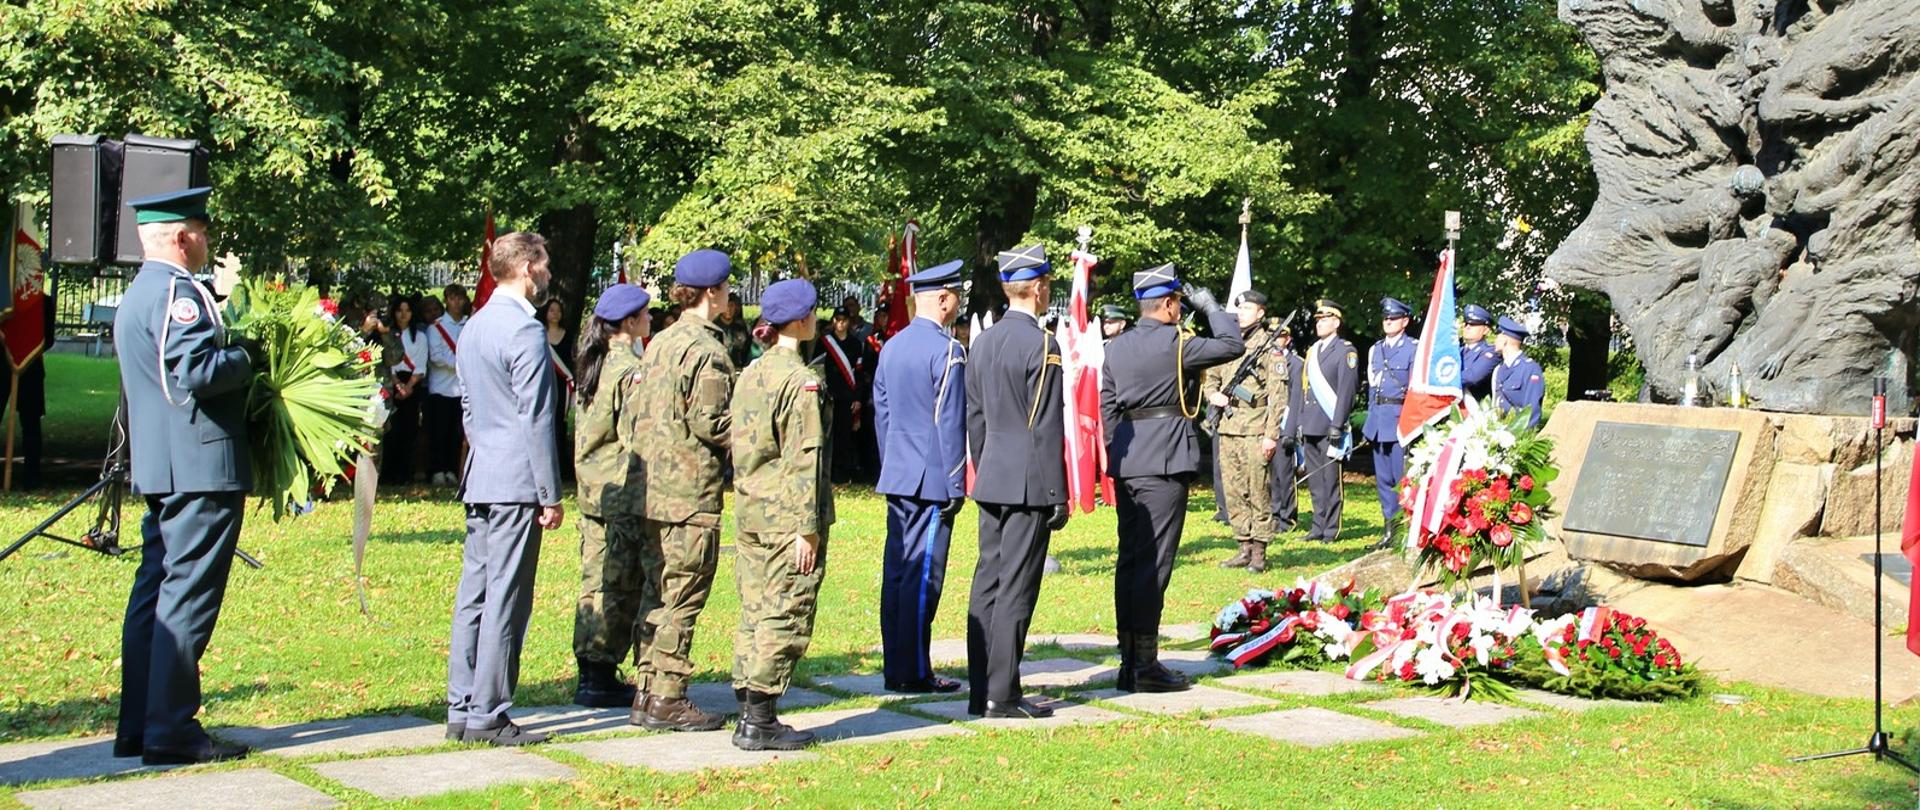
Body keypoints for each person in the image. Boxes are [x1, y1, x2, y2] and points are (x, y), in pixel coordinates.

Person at [111, 187, 254, 765]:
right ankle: (171, 730)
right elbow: (197, 369)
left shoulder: (138, 293)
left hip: (165, 464)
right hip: (200, 465)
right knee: (186, 599)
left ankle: (141, 725)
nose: (207, 243)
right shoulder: (178, 292)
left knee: (155, 593)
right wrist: (249, 356)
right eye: (204, 232)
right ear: (183, 236)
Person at [446, 231, 564, 746]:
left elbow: (469, 408)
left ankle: (461, 703)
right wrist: (550, 491)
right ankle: (488, 711)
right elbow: (536, 417)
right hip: (516, 480)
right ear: (525, 267)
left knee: (474, 593)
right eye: (544, 265)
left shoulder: (474, 326)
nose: (549, 275)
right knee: (506, 597)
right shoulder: (524, 329)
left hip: (483, 474)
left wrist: (484, 457)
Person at [1100, 264, 1242, 693]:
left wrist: (1117, 453)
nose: (1182, 307)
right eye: (1179, 301)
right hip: (1163, 461)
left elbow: (1107, 409)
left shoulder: (1115, 348)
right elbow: (1231, 343)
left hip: (1129, 459)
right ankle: (1144, 665)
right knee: (1153, 565)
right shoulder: (1177, 345)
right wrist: (1212, 306)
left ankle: (1130, 659)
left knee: (1130, 562)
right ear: (1167, 304)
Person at [628, 248, 737, 731]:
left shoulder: (661, 342)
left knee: (657, 590)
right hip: (689, 493)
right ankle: (667, 697)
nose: (730, 296)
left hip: (652, 488)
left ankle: (647, 689)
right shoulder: (706, 350)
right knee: (683, 594)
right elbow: (712, 421)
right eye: (728, 289)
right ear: (712, 293)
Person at [728, 278, 835, 751]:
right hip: (786, 515)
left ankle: (748, 708)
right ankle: (760, 718)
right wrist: (806, 529)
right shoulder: (800, 381)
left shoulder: (751, 373)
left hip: (752, 510)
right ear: (801, 320)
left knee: (754, 609)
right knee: (785, 608)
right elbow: (804, 458)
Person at [964, 247, 1069, 718]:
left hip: (993, 475)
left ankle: (979, 689)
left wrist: (988, 468)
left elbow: (976, 417)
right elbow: (1045, 425)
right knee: (1016, 587)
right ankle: (1002, 694)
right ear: (1040, 287)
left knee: (988, 580)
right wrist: (1057, 491)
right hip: (1027, 478)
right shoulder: (1043, 344)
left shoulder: (982, 342)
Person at [870, 261, 968, 695]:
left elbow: (883, 415)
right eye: (957, 297)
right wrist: (954, 481)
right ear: (944, 299)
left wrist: (892, 463)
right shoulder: (948, 351)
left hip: (899, 473)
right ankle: (913, 670)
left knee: (897, 572)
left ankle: (897, 665)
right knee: (924, 576)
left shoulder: (892, 347)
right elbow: (950, 422)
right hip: (931, 480)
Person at [569, 284, 652, 708]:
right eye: (645, 314)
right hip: (620, 490)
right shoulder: (629, 370)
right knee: (618, 584)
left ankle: (591, 669)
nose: (650, 319)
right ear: (629, 323)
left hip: (592, 488)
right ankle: (600, 674)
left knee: (594, 578)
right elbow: (638, 437)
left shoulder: (594, 363)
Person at [1204, 291, 1285, 573]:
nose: (1241, 312)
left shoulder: (1269, 346)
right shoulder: (1228, 343)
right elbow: (1211, 378)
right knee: (1234, 489)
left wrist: (1271, 434)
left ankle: (1260, 549)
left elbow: (1278, 395)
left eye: (1248, 308)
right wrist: (1213, 395)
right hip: (1228, 427)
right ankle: (1243, 545)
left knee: (1257, 489)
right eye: (1239, 307)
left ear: (1261, 313)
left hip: (1255, 426)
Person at [1293, 300, 1359, 543]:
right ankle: (1317, 526)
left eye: (1324, 319)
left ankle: (1331, 529)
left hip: (1330, 424)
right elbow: (1305, 390)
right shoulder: (1313, 351)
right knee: (1315, 481)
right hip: (1310, 424)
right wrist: (1300, 421)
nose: (1319, 324)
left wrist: (1338, 424)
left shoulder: (1345, 351)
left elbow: (1346, 391)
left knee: (1331, 480)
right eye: (1318, 320)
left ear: (1336, 322)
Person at [1363, 297, 1418, 532]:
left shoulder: (1413, 349)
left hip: (1399, 422)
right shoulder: (1375, 349)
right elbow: (1372, 390)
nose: (1388, 322)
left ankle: (1406, 528)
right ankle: (1390, 529)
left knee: (1401, 479)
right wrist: (1369, 423)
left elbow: (1415, 391)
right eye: (1385, 318)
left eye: (1393, 318)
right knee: (1384, 481)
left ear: (1404, 321)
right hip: (1378, 422)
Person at [425, 283, 471, 486]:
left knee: (457, 432)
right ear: (446, 301)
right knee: (439, 432)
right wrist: (462, 365)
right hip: (441, 387)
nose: (456, 303)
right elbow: (436, 357)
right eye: (452, 298)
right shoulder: (436, 327)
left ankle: (453, 469)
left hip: (463, 389)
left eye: (460, 298)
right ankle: (437, 470)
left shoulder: (470, 324)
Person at [383, 294, 430, 485]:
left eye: (407, 311)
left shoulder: (419, 337)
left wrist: (408, 386)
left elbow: (420, 365)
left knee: (409, 429)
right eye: (400, 311)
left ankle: (404, 473)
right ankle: (388, 472)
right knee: (390, 430)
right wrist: (395, 383)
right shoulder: (388, 335)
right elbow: (387, 362)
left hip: (412, 383)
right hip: (391, 382)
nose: (403, 315)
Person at [819, 307, 867, 483]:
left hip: (847, 396)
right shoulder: (824, 342)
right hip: (830, 395)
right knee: (827, 435)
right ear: (833, 321)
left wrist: (857, 397)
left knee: (845, 437)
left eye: (844, 320)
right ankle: (828, 472)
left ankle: (843, 473)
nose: (840, 323)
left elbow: (859, 373)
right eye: (837, 319)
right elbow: (817, 368)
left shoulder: (855, 344)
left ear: (848, 322)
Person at [1267, 325, 1305, 534]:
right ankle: (1274, 514)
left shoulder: (1296, 364)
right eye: (1272, 336)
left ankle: (1287, 517)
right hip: (1267, 425)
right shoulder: (1265, 361)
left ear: (1288, 339)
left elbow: (1296, 397)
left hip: (1284, 425)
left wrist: (1290, 430)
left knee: (1284, 474)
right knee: (1270, 475)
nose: (1275, 340)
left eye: (1279, 336)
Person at [1492, 316, 1547, 428]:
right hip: (1498, 432)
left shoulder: (1530, 369)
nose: (1495, 340)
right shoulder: (1499, 369)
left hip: (1518, 436)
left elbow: (1531, 412)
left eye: (1497, 336)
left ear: (1504, 340)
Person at [541, 297, 575, 478]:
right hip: (543, 383)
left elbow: (571, 361)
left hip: (562, 385)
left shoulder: (567, 335)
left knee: (559, 423)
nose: (555, 314)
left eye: (558, 311)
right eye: (551, 310)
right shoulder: (538, 334)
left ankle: (560, 465)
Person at [1460, 304, 1499, 402]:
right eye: (1466, 324)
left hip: (1475, 409)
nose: (1468, 327)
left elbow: (1472, 377)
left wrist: (1443, 380)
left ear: (1485, 330)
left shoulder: (1491, 352)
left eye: (1473, 324)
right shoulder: (1458, 351)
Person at [720, 291, 753, 369]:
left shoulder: (743, 328)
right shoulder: (713, 326)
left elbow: (748, 351)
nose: (728, 309)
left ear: (736, 308)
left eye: (731, 306)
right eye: (726, 305)